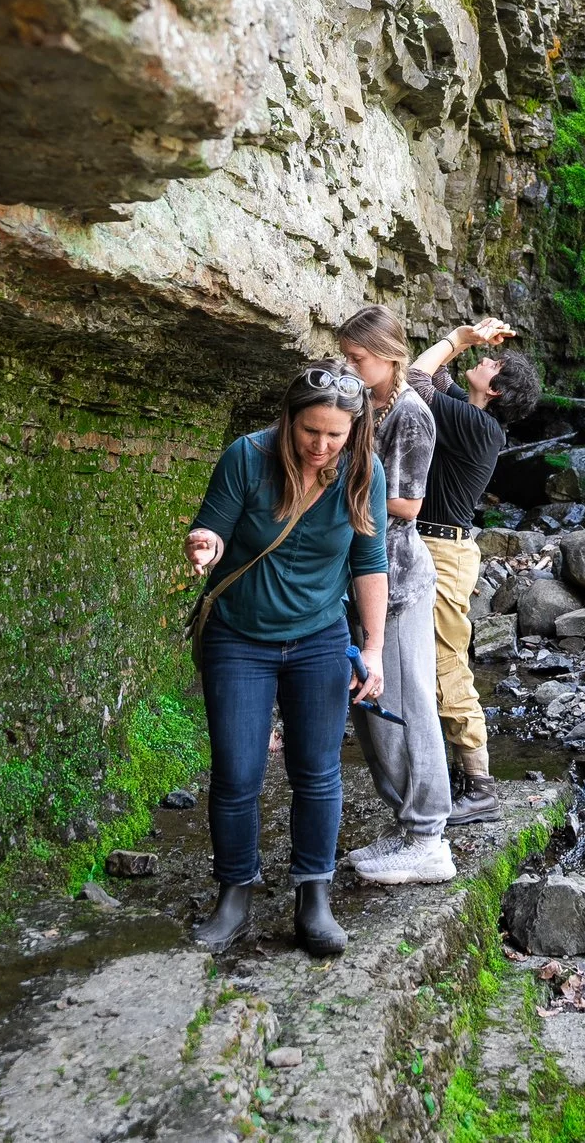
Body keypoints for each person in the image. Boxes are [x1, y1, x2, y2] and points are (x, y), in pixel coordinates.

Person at [181, 365, 389, 957]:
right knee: (238, 771)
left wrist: (372, 649)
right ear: (288, 420)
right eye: (310, 432)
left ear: (354, 430)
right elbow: (212, 529)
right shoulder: (247, 458)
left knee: (318, 771)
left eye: (335, 435)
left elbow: (369, 562)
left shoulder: (361, 473)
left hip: (320, 637)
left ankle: (313, 895)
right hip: (239, 636)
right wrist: (204, 544)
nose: (321, 447)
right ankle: (235, 893)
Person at [333, 306, 453, 886]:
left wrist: (337, 498)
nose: (350, 368)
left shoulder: (410, 414)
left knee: (409, 709)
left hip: (400, 582)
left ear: (388, 354)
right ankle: (406, 826)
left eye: (357, 359)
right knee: (375, 714)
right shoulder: (367, 405)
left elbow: (408, 505)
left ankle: (430, 835)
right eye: (346, 359)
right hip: (361, 579)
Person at [406, 317, 542, 823]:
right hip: (435, 546)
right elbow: (434, 376)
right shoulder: (470, 415)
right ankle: (451, 773)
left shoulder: (480, 426)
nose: (483, 361)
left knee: (445, 663)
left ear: (498, 389)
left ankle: (480, 785)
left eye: (492, 364)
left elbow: (413, 382)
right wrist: (468, 338)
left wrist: (460, 341)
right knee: (424, 660)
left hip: (442, 554)